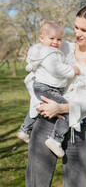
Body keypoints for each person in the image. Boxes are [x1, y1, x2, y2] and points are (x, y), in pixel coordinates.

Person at [25, 5, 86, 187]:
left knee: (79, 183)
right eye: (76, 27)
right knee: (36, 182)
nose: (77, 33)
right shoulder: (62, 47)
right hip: (46, 120)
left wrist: (62, 108)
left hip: (79, 128)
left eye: (84, 29)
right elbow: (32, 76)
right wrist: (39, 100)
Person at [16, 20, 80, 157]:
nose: (55, 42)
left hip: (42, 86)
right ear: (42, 38)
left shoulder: (41, 51)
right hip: (47, 88)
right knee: (68, 111)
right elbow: (57, 69)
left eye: (59, 39)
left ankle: (24, 129)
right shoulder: (49, 53)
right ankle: (55, 139)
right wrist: (72, 71)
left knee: (36, 106)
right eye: (51, 38)